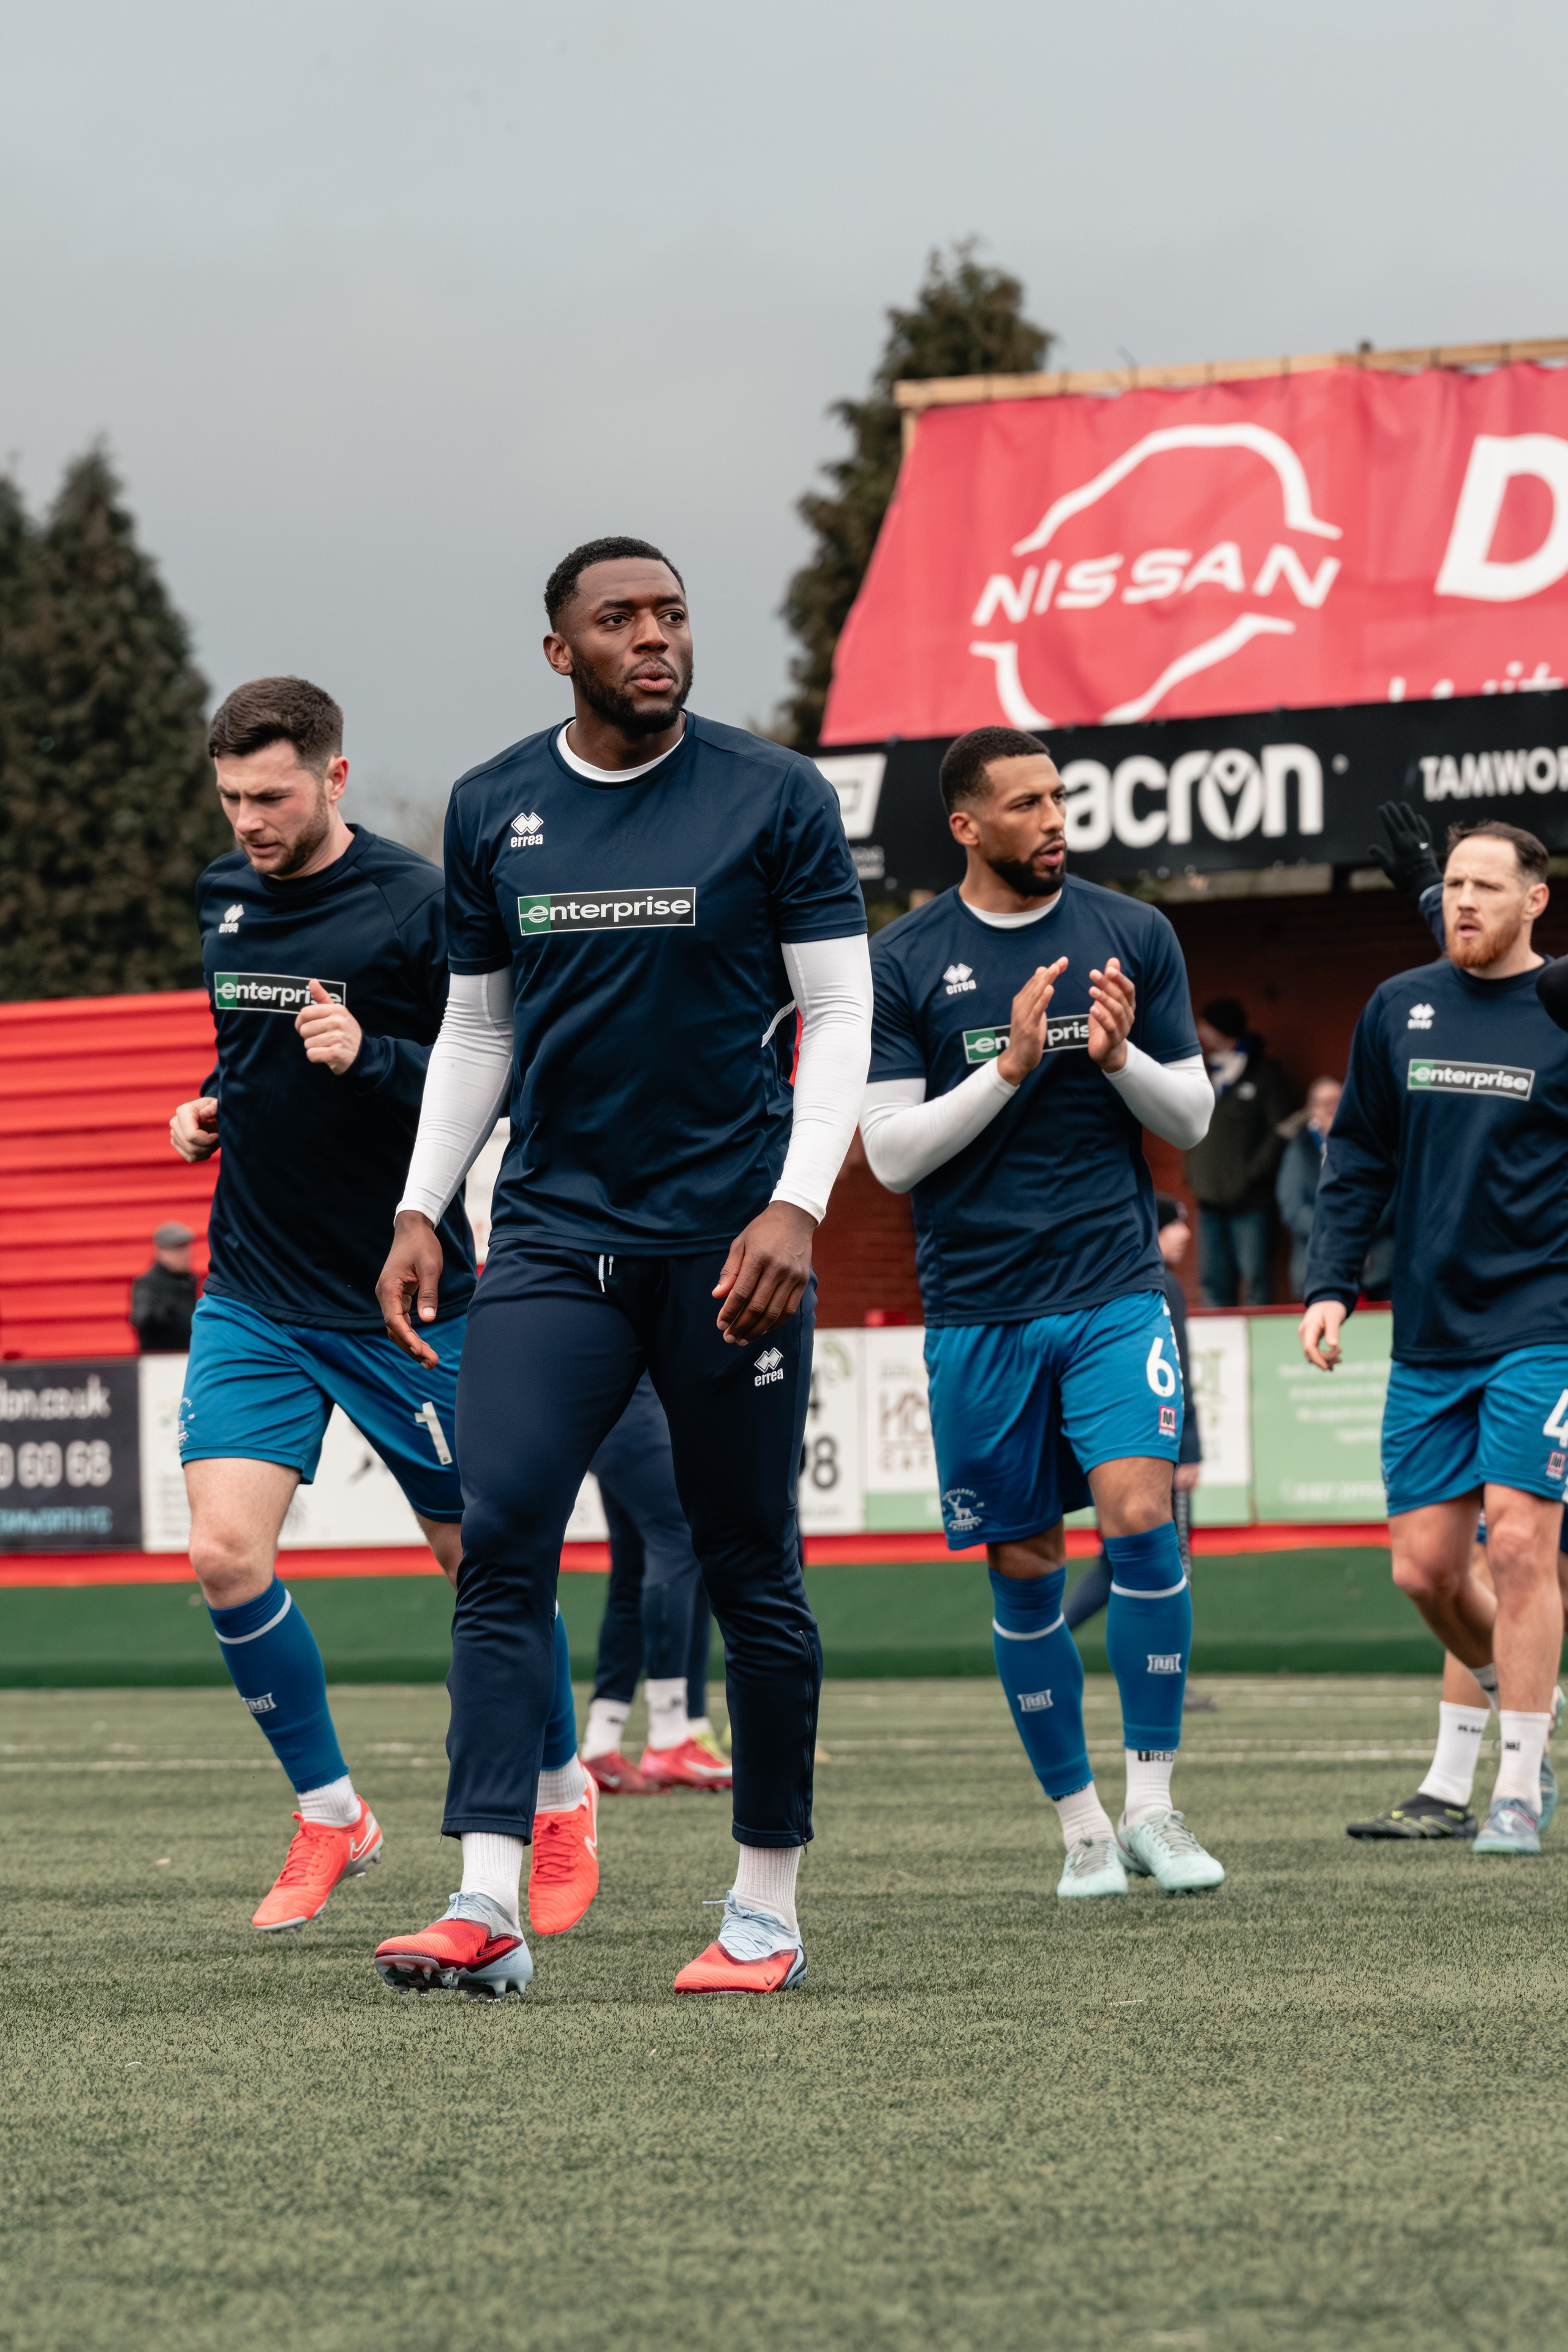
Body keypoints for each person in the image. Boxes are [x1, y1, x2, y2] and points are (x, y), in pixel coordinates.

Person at [372, 536, 872, 2002]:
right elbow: (476, 1031)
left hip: (730, 1252)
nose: (653, 636)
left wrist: (794, 1202)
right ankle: (483, 1898)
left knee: (747, 1568)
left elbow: (837, 1015)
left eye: (668, 613)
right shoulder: (492, 806)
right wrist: (420, 1204)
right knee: (500, 1530)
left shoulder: (772, 793)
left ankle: (762, 1910)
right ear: (560, 652)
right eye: (619, 618)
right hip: (545, 1240)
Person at [170, 674, 597, 1939]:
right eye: (233, 797)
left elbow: (493, 1084)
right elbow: (248, 1051)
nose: (250, 820)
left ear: (334, 778)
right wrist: (207, 1110)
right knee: (221, 1556)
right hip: (251, 1288)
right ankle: (331, 1814)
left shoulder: (418, 907)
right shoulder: (222, 897)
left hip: (400, 1299)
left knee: (487, 1567)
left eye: (273, 794)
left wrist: (377, 1059)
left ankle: (564, 1799)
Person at [859, 723, 1224, 1899]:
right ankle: (1079, 1827)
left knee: (1139, 1512)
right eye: (1023, 804)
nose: (1054, 819)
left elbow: (1193, 1121)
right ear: (967, 827)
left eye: (1059, 797)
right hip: (978, 1309)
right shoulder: (904, 959)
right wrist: (1007, 1068)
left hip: (1114, 1287)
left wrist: (1117, 1058)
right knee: (1024, 1562)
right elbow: (892, 1155)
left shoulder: (1134, 933)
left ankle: (1156, 1810)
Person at [1302, 819, 1568, 1856]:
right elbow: (1358, 1153)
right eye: (1451, 884)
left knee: (1519, 1542)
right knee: (1423, 1569)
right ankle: (1520, 1712)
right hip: (1430, 1333)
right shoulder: (1396, 1007)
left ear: (1534, 900)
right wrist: (1331, 1282)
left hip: (1543, 1322)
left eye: (1486, 887)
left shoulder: (1560, 1011)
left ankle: (1514, 1789)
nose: (1464, 902)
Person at [582, 1371, 731, 1794]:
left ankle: (601, 1743)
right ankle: (669, 1735)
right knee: (681, 1539)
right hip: (628, 1392)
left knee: (635, 1565)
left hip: (618, 1395)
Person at [1064, 1194, 1202, 1630]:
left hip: (1109, 1444)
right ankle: (1165, 1676)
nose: (1186, 1233)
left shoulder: (1099, 1284)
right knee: (1168, 1566)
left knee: (1117, 1561)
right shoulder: (1163, 1284)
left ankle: (1048, 1640)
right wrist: (1188, 1447)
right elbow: (1173, 1371)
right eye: (1174, 1225)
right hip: (1158, 1448)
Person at [1185, 998, 1293, 1306]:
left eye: (1204, 1024)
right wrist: (1193, 1174)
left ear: (1220, 1028)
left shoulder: (1263, 1074)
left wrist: (1250, 1174)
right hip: (1209, 1201)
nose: (1199, 1031)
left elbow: (1280, 1131)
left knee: (1256, 1281)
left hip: (1252, 1201)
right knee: (1213, 1284)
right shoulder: (1203, 1072)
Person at [129, 1221, 199, 1353]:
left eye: (186, 1248)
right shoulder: (149, 1283)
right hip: (161, 1363)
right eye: (178, 1249)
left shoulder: (188, 1280)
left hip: (187, 1358)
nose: (185, 1254)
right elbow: (141, 1319)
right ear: (161, 1251)